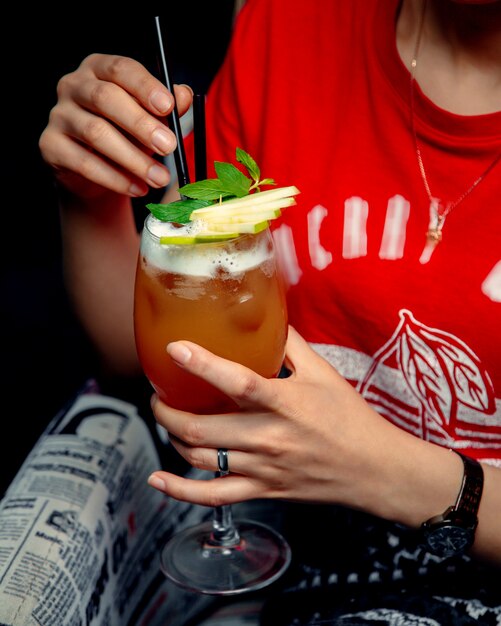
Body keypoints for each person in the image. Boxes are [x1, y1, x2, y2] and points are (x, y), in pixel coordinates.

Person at [39, 0, 501, 622]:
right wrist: (90, 194)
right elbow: (159, 353)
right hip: (294, 558)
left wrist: (388, 472)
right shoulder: (288, 20)